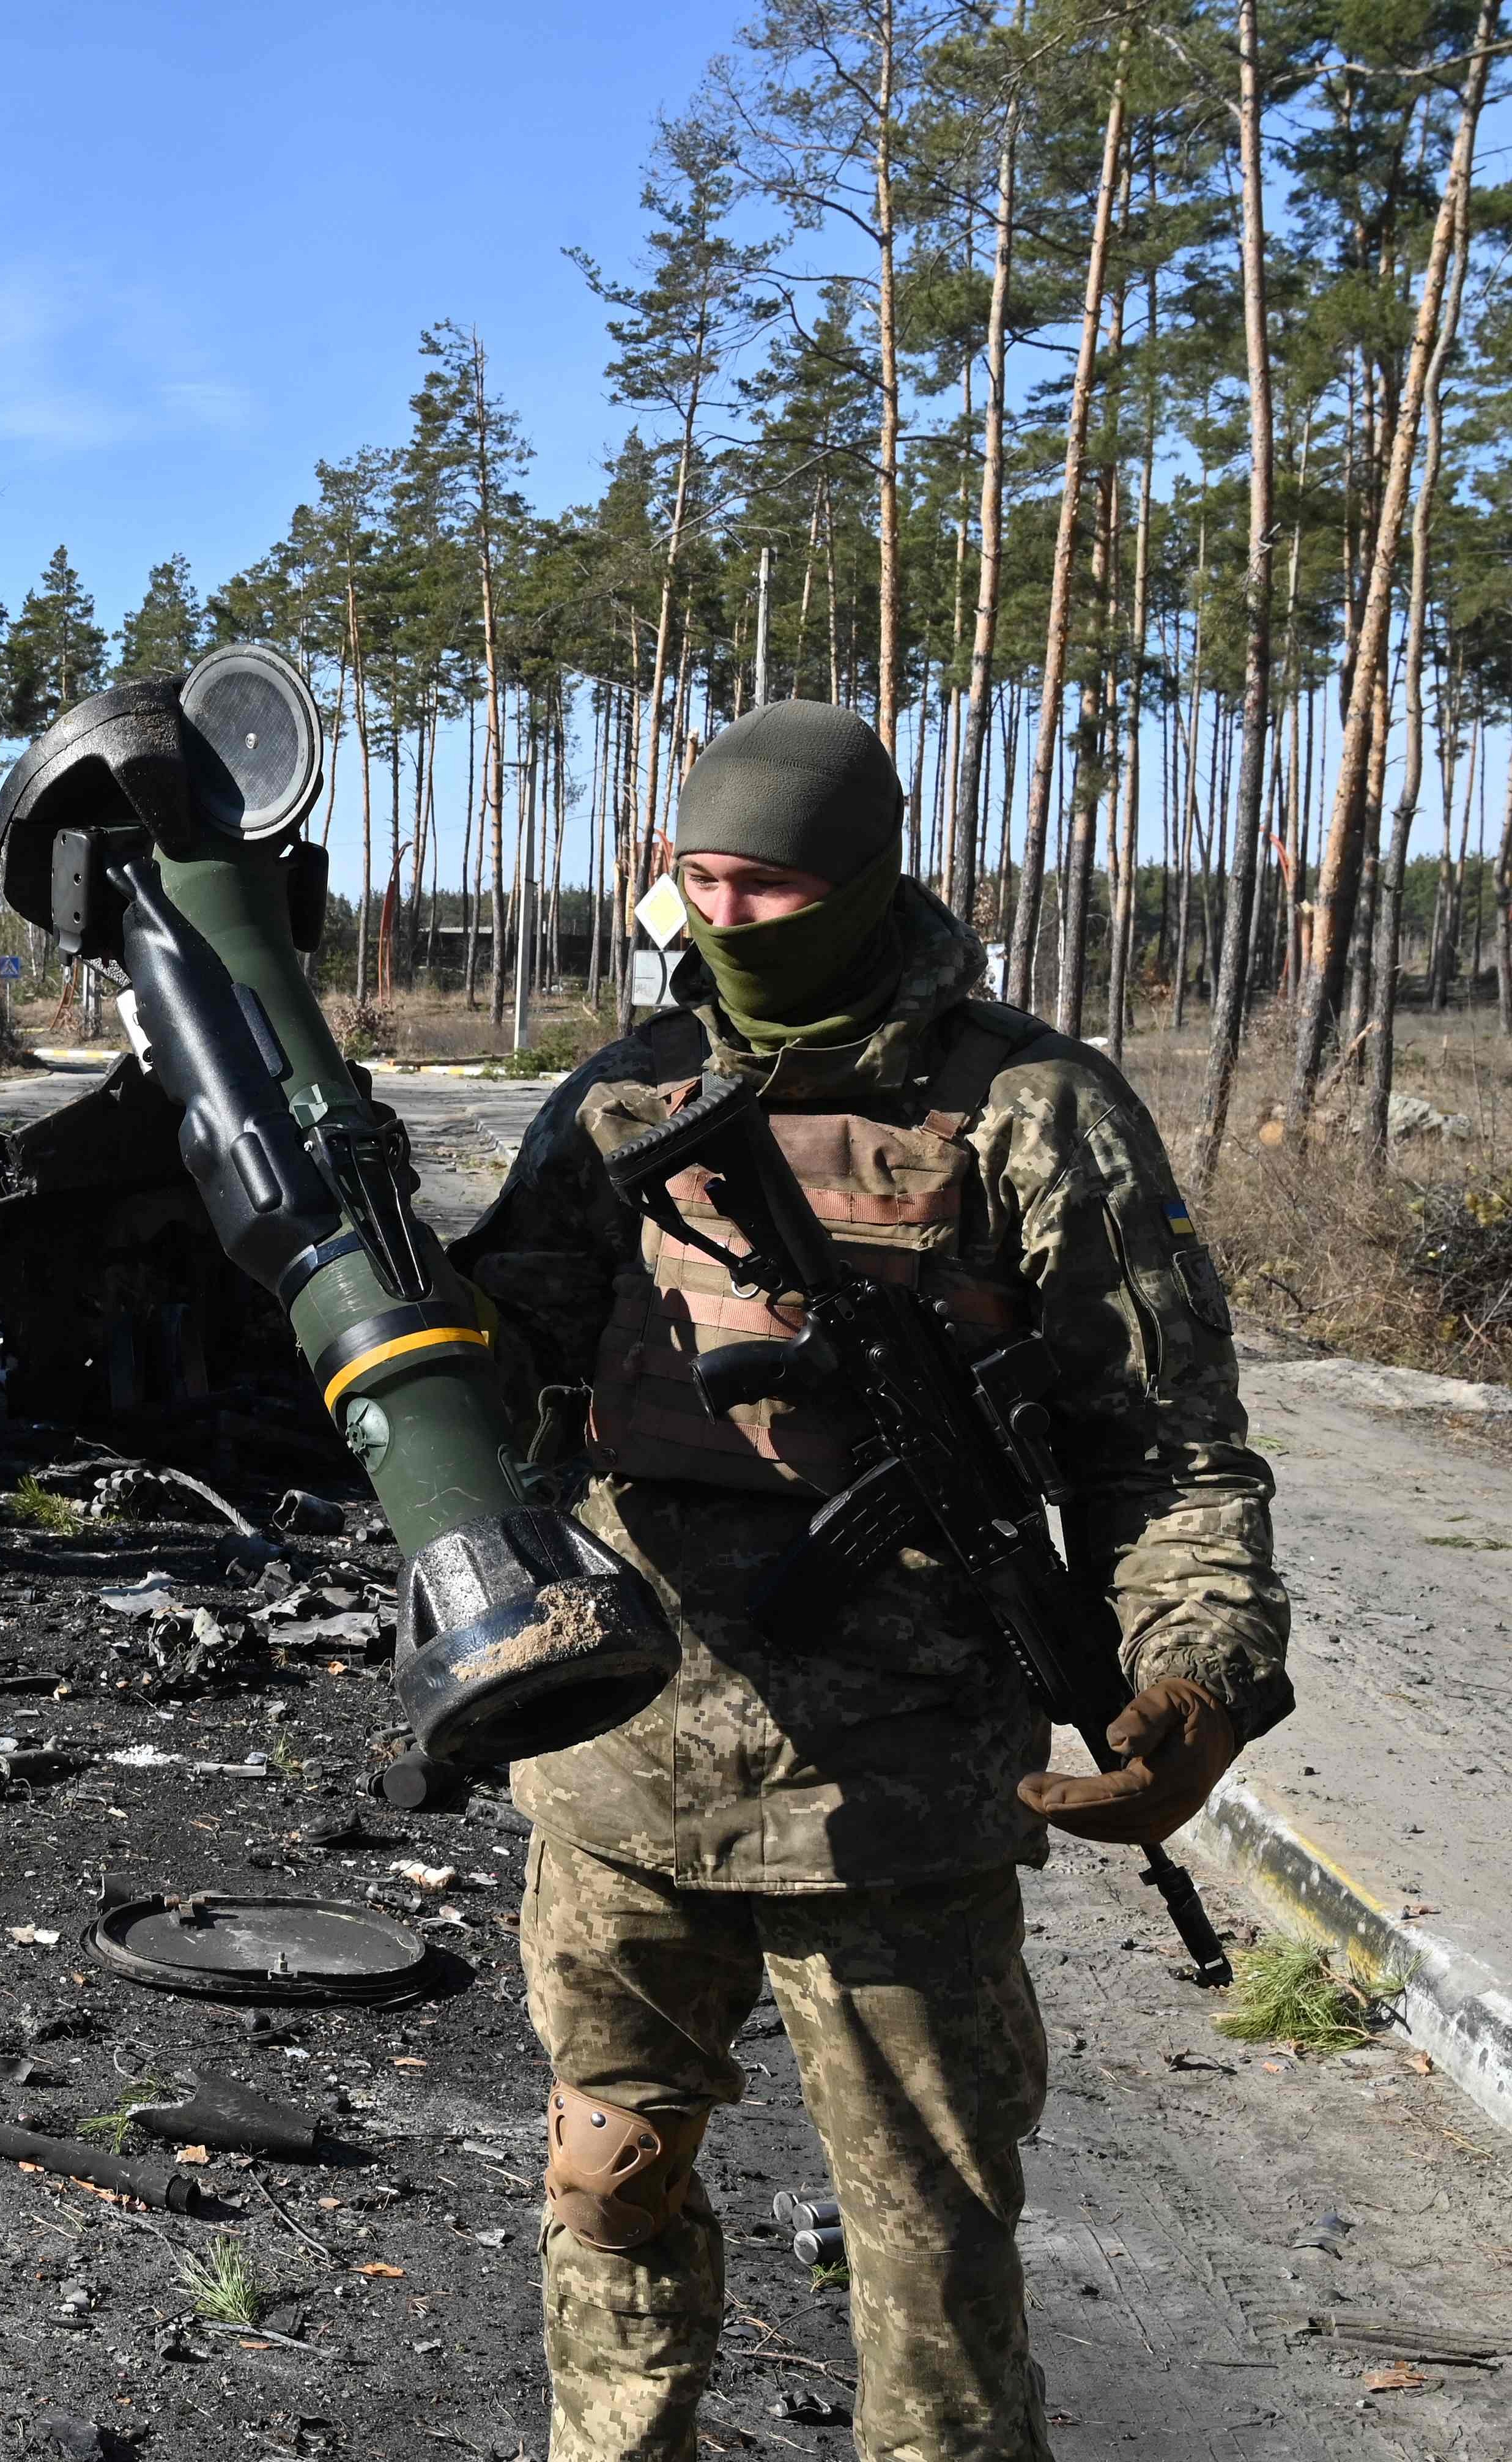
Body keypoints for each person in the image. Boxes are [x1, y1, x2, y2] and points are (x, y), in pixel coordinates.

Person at [450, 699, 1291, 2461]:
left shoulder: (1036, 1110)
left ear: (863, 880)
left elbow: (1166, 1448)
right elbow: (487, 1380)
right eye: (700, 881)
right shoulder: (618, 1098)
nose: (727, 920)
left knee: (931, 2263)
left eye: (772, 889)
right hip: (627, 1765)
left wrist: (1196, 1673)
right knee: (608, 2185)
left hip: (904, 1791)